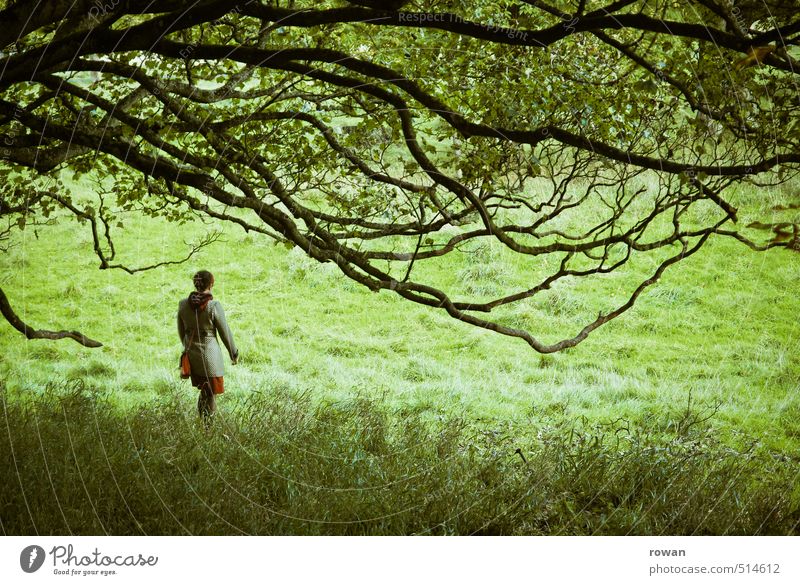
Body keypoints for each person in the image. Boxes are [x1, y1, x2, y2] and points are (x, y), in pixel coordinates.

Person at [177, 270, 238, 423]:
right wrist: (233, 353)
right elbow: (225, 331)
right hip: (210, 356)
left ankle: (203, 424)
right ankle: (207, 428)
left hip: (192, 354)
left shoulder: (183, 304)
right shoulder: (213, 306)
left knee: (204, 391)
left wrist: (187, 347)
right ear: (211, 284)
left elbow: (181, 331)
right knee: (210, 393)